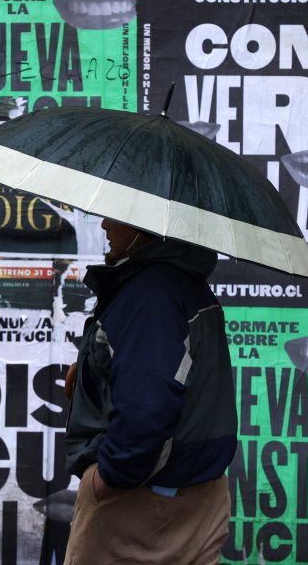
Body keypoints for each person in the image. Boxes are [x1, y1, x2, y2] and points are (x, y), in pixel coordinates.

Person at [63, 218, 236, 564]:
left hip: (141, 508)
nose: (104, 224)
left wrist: (103, 481)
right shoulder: (183, 284)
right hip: (198, 498)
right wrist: (91, 373)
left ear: (146, 226)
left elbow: (147, 412)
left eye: (116, 214)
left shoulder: (151, 295)